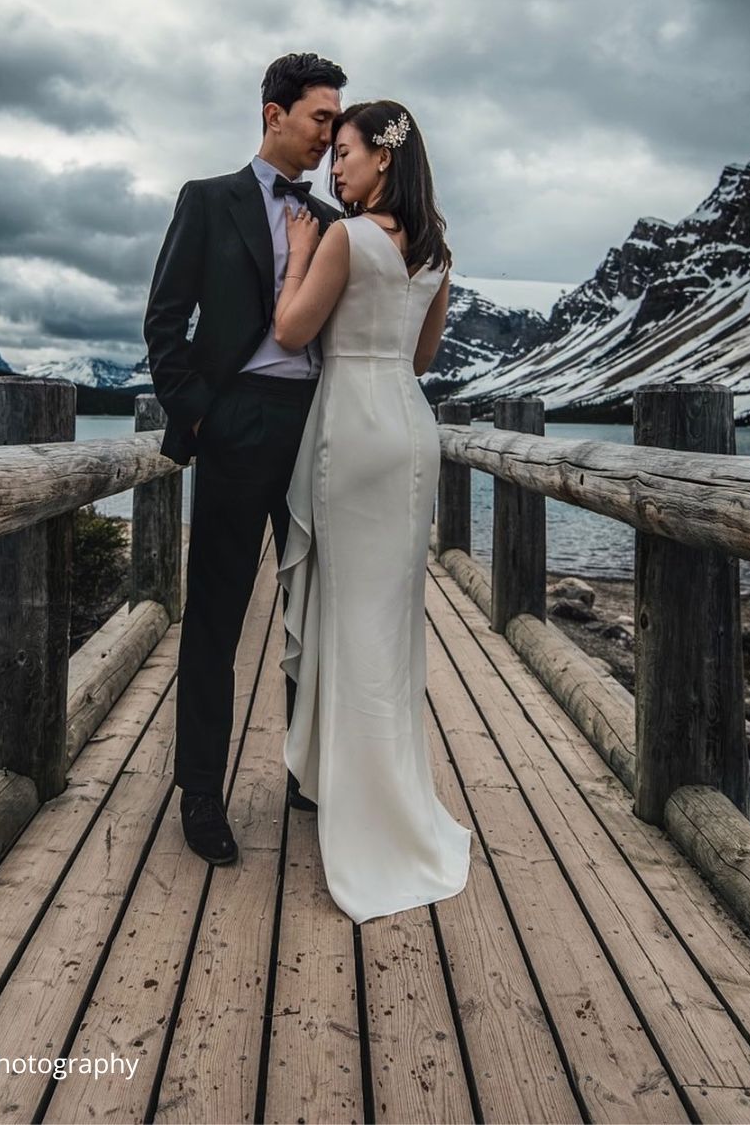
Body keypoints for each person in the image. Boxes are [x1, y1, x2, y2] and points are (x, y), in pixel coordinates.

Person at [143, 52, 347, 865]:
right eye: (320, 119)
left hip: (317, 425)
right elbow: (165, 323)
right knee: (218, 615)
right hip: (236, 423)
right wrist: (204, 418)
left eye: (337, 122)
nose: (330, 136)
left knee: (315, 608)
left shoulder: (334, 221)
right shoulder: (207, 200)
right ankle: (200, 791)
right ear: (273, 114)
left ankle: (307, 774)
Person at [273, 100, 473, 924]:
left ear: (382, 160)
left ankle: (363, 814)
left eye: (345, 153)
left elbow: (291, 332)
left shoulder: (346, 239)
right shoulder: (436, 253)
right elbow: (424, 357)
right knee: (390, 623)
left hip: (351, 429)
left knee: (351, 620)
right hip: (410, 430)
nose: (334, 168)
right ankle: (391, 792)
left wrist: (297, 254)